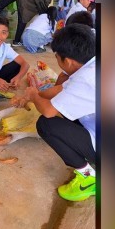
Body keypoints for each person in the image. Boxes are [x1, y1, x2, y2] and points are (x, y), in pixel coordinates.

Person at [13, 24, 96, 202]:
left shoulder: (86, 79)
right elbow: (60, 89)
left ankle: (88, 177)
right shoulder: (92, 65)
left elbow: (48, 111)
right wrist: (32, 94)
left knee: (47, 124)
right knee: (64, 112)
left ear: (68, 61)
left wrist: (34, 96)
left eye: (57, 57)